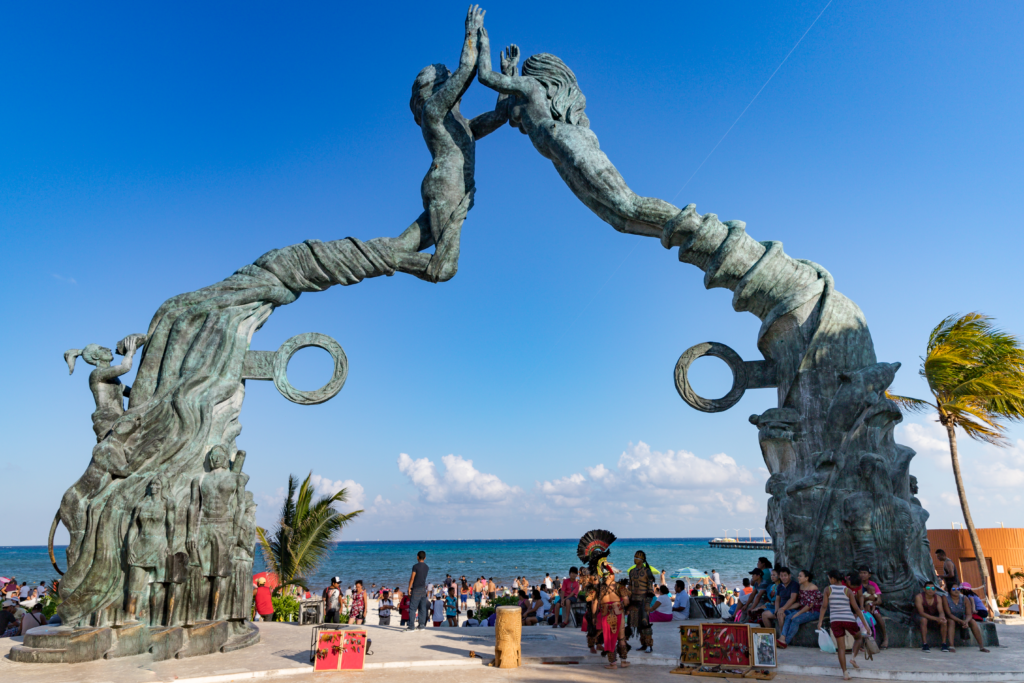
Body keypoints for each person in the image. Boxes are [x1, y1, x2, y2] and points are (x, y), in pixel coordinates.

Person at [475, 27, 680, 240]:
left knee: (626, 203)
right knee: (619, 221)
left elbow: (486, 76)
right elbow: (503, 113)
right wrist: (509, 73)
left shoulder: (530, 84)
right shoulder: (522, 95)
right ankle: (685, 239)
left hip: (560, 137)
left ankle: (699, 227)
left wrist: (482, 44)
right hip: (555, 154)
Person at [395, 5, 516, 283]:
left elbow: (500, 116)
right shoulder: (433, 112)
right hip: (445, 186)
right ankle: (388, 259)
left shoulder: (462, 125)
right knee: (445, 268)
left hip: (448, 189)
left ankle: (369, 256)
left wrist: (507, 76)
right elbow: (467, 70)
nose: (452, 79)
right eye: (446, 77)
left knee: (401, 246)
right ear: (434, 87)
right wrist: (471, 34)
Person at [818, 569, 867, 680]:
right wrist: (866, 626)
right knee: (858, 638)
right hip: (848, 619)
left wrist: (820, 621)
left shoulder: (827, 590)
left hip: (835, 620)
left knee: (841, 648)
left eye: (829, 578)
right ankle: (853, 658)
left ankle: (845, 673)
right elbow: (857, 609)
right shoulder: (848, 591)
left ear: (833, 579)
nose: (829, 580)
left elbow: (824, 607)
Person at [595, 568, 630, 669]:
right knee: (621, 637)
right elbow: (626, 601)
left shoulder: (599, 587)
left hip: (606, 612)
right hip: (618, 611)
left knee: (609, 637)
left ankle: (613, 663)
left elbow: (596, 603)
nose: (614, 575)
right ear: (610, 575)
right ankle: (623, 661)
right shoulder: (619, 585)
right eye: (613, 573)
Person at [778, 570, 821, 648]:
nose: (798, 577)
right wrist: (784, 609)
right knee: (788, 617)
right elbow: (800, 603)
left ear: (806, 578)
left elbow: (809, 605)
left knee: (795, 620)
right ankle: (782, 637)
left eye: (800, 576)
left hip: (813, 611)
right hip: (803, 610)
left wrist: (797, 614)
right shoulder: (801, 587)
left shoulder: (812, 587)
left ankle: (786, 642)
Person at [627, 550, 658, 653]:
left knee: (645, 623)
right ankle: (643, 644)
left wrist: (648, 602)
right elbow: (630, 587)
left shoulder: (647, 571)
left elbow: (650, 588)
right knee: (637, 624)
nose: (635, 559)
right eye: (634, 556)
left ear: (642, 560)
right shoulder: (632, 572)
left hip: (644, 600)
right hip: (634, 600)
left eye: (637, 557)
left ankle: (649, 645)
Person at [945, 584, 991, 653]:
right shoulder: (945, 598)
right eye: (954, 589)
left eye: (958, 589)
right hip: (951, 618)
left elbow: (969, 614)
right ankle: (951, 645)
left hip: (962, 618)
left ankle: (981, 646)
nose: (956, 591)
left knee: (972, 621)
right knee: (951, 622)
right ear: (949, 590)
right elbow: (949, 614)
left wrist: (965, 621)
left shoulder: (964, 598)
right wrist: (960, 621)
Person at [857, 566, 887, 648]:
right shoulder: (857, 584)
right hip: (860, 607)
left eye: (864, 573)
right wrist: (867, 599)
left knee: (877, 615)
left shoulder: (873, 585)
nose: (862, 575)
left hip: (872, 605)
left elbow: (879, 600)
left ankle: (885, 638)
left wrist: (871, 604)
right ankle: (860, 642)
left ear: (869, 575)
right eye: (860, 573)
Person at [915, 580, 949, 652]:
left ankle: (944, 643)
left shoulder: (938, 598)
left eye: (933, 588)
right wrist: (936, 619)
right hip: (919, 616)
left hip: (933, 616)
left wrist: (942, 617)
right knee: (924, 620)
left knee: (944, 622)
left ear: (935, 590)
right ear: (924, 589)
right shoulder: (919, 597)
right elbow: (921, 613)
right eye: (928, 588)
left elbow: (941, 611)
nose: (930, 590)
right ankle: (925, 644)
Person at [765, 566, 799, 630]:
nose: (783, 578)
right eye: (781, 576)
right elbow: (777, 599)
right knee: (764, 615)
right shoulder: (780, 586)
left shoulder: (794, 584)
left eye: (785, 575)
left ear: (789, 576)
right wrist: (776, 610)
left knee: (780, 615)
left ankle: (782, 637)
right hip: (781, 609)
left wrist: (783, 609)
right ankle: (771, 635)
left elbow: (793, 598)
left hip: (791, 609)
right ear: (779, 577)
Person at [407, 550, 430, 631]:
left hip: (416, 588)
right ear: (425, 558)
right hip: (423, 589)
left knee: (412, 608)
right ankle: (421, 625)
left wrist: (409, 588)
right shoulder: (427, 567)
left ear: (417, 557)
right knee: (422, 608)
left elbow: (412, 578)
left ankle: (411, 626)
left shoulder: (415, 566)